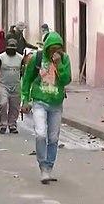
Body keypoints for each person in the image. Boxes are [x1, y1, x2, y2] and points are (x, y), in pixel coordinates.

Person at [21, 31, 71, 184]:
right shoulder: (37, 58)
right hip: (39, 101)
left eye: (58, 49)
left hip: (56, 103)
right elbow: (27, 79)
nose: (54, 52)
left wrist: (59, 64)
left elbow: (66, 80)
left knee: (54, 138)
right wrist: (25, 99)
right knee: (41, 134)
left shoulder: (64, 59)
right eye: (52, 48)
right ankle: (42, 165)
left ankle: (49, 166)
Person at [0, 38, 23, 134]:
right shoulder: (1, 57)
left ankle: (12, 124)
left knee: (15, 107)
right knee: (3, 104)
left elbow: (24, 72)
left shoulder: (20, 58)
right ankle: (3, 124)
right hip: (3, 85)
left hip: (16, 85)